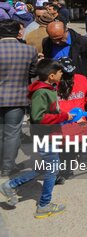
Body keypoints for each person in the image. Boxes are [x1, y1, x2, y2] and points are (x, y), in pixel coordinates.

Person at [0, 59, 72, 218]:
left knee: (45, 168)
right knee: (51, 170)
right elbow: (38, 117)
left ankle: (10, 185)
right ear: (52, 75)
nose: (62, 74)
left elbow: (50, 113)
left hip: (49, 135)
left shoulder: (48, 89)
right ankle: (44, 205)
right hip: (45, 136)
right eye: (60, 72)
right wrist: (63, 116)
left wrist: (65, 117)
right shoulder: (42, 92)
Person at [0, 20, 38, 176]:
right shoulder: (29, 51)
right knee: (12, 133)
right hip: (16, 97)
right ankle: (7, 167)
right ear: (18, 32)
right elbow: (33, 73)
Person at [55, 56, 87, 181]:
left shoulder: (54, 83)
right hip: (80, 120)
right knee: (83, 139)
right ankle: (84, 159)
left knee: (65, 149)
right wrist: (82, 101)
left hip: (63, 122)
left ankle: (66, 170)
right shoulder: (81, 79)